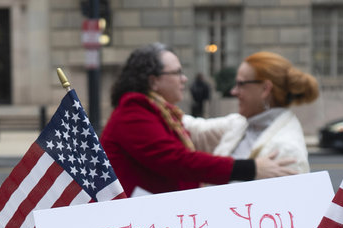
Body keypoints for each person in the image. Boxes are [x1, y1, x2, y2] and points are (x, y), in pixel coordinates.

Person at [100, 43, 296, 196]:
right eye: (177, 73)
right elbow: (178, 161)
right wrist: (250, 168)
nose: (184, 79)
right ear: (154, 81)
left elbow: (199, 132)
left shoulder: (161, 112)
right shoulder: (133, 112)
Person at [183, 51, 319, 174]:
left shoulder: (288, 149)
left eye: (240, 84)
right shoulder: (242, 123)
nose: (233, 91)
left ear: (265, 89)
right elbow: (195, 129)